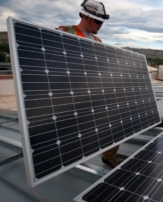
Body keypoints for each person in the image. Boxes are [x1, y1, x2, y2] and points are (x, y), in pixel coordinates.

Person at [57, 0, 123, 169]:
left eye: (102, 22)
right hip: (69, 94)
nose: (101, 25)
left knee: (115, 118)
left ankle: (109, 155)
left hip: (92, 92)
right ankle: (63, 157)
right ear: (86, 17)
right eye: (98, 21)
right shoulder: (63, 32)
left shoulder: (97, 41)